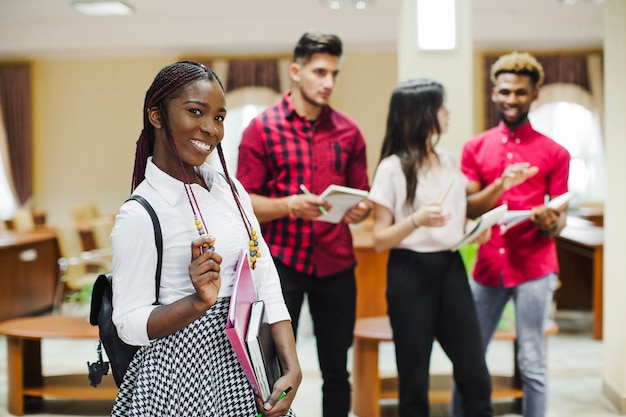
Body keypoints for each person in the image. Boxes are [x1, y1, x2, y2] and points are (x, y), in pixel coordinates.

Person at [109, 60, 301, 417]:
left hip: (245, 365)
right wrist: (197, 303)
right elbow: (128, 324)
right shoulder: (141, 213)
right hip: (179, 376)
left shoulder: (230, 190)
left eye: (219, 117)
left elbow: (265, 279)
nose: (211, 129)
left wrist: (290, 364)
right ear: (156, 115)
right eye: (196, 112)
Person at [236, 32, 371, 417]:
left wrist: (359, 209)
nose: (328, 82)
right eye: (319, 72)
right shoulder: (262, 129)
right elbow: (244, 205)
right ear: (296, 71)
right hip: (280, 266)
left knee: (336, 370)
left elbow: (362, 194)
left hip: (337, 266)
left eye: (334, 74)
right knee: (270, 368)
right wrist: (290, 205)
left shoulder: (349, 131)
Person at [450, 52, 570, 417]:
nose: (511, 99)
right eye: (504, 91)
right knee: (469, 358)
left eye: (520, 92)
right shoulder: (475, 147)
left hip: (535, 266)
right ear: (494, 92)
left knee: (532, 360)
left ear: (534, 94)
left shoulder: (555, 152)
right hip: (487, 266)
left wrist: (549, 219)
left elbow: (559, 222)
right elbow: (469, 206)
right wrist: (499, 187)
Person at [368, 78, 494, 417]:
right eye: (442, 106)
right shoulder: (391, 168)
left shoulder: (448, 160)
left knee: (475, 373)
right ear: (423, 114)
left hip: (451, 270)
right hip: (409, 274)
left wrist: (471, 230)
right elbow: (379, 239)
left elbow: (456, 219)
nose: (448, 112)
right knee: (413, 382)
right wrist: (416, 220)